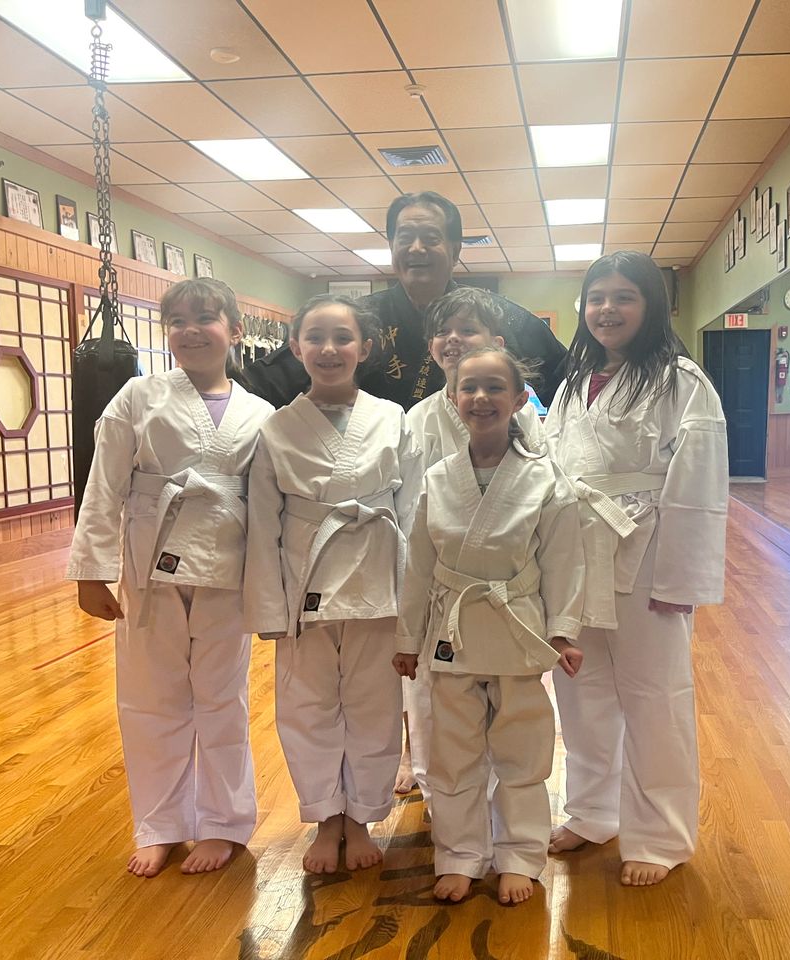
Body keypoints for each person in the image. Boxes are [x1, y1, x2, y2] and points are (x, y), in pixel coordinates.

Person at [66, 278, 273, 878]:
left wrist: (272, 588)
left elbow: (271, 504)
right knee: (150, 696)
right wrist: (91, 571)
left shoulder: (261, 414)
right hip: (148, 557)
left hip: (227, 566)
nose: (189, 329)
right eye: (176, 320)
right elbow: (104, 483)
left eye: (205, 317)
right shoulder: (137, 396)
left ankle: (223, 822)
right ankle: (159, 823)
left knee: (222, 699)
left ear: (235, 330)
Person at [544, 251, 728, 887]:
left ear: (651, 306)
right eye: (597, 297)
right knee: (580, 689)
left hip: (647, 551)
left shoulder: (680, 380)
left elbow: (699, 483)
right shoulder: (573, 381)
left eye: (624, 297)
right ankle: (593, 811)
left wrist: (682, 578)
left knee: (655, 697)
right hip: (573, 549)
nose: (607, 309)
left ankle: (660, 833)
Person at [394, 346, 585, 905]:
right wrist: (407, 640)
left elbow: (564, 561)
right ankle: (459, 854)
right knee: (453, 753)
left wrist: (563, 633)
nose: (481, 398)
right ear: (453, 400)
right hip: (451, 633)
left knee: (523, 753)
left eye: (494, 387)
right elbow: (418, 565)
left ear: (521, 399)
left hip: (517, 628)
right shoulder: (437, 477)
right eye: (469, 388)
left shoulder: (545, 478)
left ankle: (520, 855)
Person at [244, 294, 422, 875]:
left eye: (342, 337)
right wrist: (269, 605)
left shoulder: (393, 418)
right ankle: (326, 817)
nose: (328, 349)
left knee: (374, 704)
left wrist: (414, 606)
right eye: (314, 337)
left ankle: (362, 816)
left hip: (377, 578)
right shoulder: (276, 427)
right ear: (295, 347)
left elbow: (415, 512)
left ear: (364, 348)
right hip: (304, 582)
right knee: (307, 704)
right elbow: (262, 523)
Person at [399, 286, 548, 809]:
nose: (454, 339)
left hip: (506, 582)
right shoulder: (416, 420)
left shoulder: (523, 417)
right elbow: (409, 512)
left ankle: (502, 799)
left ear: (498, 341)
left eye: (468, 328)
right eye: (444, 330)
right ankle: (437, 791)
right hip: (441, 581)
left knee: (510, 705)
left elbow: (540, 507)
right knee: (432, 695)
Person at [241, 191, 567, 412]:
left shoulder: (501, 317)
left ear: (455, 250)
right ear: (392, 246)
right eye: (405, 238)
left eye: (431, 238)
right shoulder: (358, 320)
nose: (416, 249)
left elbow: (570, 387)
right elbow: (261, 385)